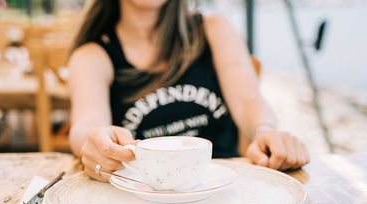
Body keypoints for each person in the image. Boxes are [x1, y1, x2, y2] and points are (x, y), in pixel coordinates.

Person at [68, 0, 310, 181]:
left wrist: (265, 131)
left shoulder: (213, 28)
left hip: (223, 183)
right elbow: (87, 122)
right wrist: (94, 144)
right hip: (144, 193)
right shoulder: (91, 55)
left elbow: (249, 101)